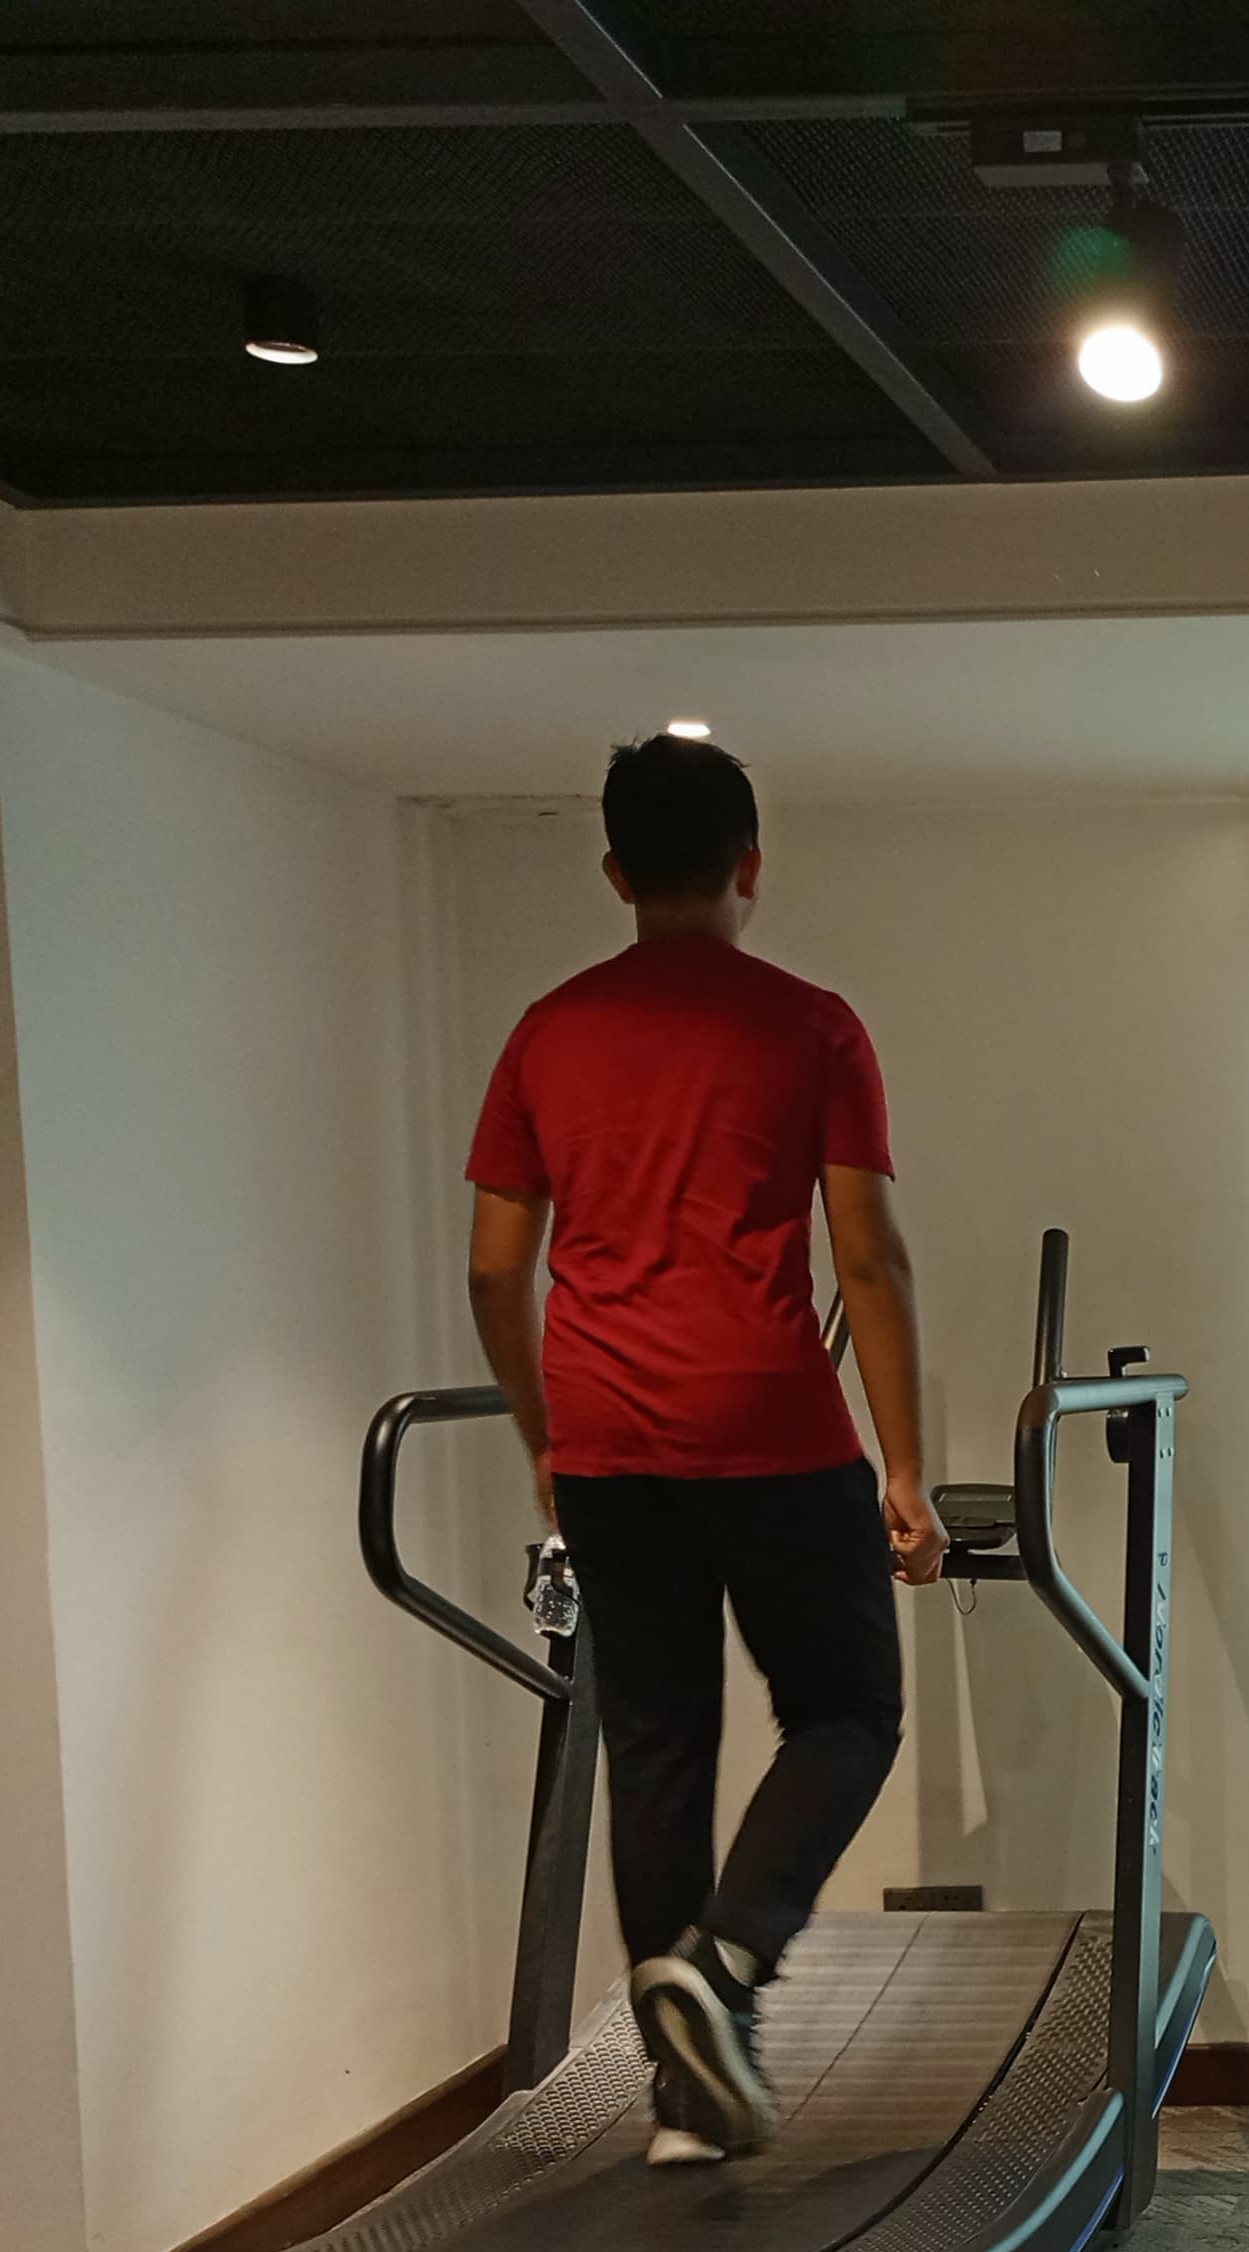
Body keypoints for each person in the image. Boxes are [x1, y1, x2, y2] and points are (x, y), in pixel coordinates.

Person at [463, 734, 942, 2164]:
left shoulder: (546, 1033)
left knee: (656, 1748)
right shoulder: (812, 1027)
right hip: (773, 1426)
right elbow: (869, 1258)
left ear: (615, 872)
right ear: (751, 865)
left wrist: (545, 1439)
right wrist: (905, 1471)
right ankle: (725, 1969)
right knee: (848, 1713)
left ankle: (685, 2112)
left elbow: (494, 1270)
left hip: (608, 1441)